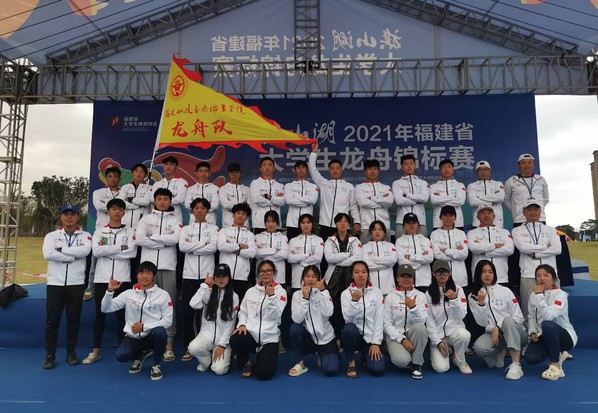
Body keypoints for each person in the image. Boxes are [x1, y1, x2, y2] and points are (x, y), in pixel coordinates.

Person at [83, 199, 136, 365]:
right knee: (100, 315)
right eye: (113, 209)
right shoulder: (100, 231)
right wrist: (120, 247)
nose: (117, 212)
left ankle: (123, 350)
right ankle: (95, 351)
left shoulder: (130, 231)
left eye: (120, 209)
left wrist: (107, 250)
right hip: (102, 279)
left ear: (124, 212)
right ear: (108, 212)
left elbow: (132, 253)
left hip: (123, 279)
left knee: (122, 316)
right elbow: (97, 251)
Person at [101, 261, 173, 381]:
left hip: (151, 336)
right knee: (122, 355)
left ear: (153, 276)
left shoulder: (163, 295)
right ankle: (140, 356)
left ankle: (156, 364)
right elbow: (105, 309)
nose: (144, 276)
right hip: (133, 337)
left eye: (148, 273)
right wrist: (109, 292)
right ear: (137, 276)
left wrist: (144, 327)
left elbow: (168, 321)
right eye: (141, 273)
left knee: (160, 332)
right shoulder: (128, 294)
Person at [42, 204, 92, 369]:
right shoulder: (52, 235)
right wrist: (71, 257)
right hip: (55, 284)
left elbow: (84, 252)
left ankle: (71, 353)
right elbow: (48, 254)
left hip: (76, 284)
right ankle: (50, 355)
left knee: (73, 321)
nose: (69, 217)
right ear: (61, 217)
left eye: (72, 214)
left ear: (78, 217)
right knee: (52, 321)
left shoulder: (85, 235)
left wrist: (61, 250)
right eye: (66, 214)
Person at [134, 187, 182, 361]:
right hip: (147, 269)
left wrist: (152, 237)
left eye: (165, 199)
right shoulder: (146, 218)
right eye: (159, 199)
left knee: (168, 306)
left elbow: (175, 240)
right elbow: (140, 239)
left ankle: (169, 345)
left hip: (168, 266)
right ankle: (148, 345)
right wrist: (163, 241)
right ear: (154, 201)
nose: (162, 202)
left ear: (170, 201)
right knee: (147, 305)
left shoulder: (176, 219)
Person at [469, 260, 527, 380]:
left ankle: (516, 364)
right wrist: (481, 304)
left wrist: (499, 326)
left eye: (490, 272)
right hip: (494, 336)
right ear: (478, 274)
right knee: (479, 347)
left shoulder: (505, 291)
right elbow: (482, 323)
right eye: (484, 271)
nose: (487, 275)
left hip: (516, 333)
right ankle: (500, 351)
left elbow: (519, 317)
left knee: (508, 321)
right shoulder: (473, 296)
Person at [230, 260, 287, 380]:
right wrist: (241, 325)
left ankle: (263, 355)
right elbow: (243, 311)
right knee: (235, 338)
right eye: (262, 271)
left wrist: (271, 296)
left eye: (269, 271)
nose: (265, 274)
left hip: (269, 339)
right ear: (258, 274)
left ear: (274, 273)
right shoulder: (250, 291)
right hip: (251, 336)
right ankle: (247, 362)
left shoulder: (281, 292)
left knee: (263, 374)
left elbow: (276, 316)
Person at [178, 197, 219, 362]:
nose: (200, 211)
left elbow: (213, 248)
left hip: (207, 277)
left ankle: (206, 346)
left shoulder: (214, 228)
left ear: (207, 210)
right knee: (188, 313)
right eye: (196, 208)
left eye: (203, 208)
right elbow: (182, 247)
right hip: (189, 275)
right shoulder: (185, 229)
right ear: (192, 210)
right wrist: (204, 243)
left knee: (207, 314)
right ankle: (189, 347)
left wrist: (193, 247)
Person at [524, 264, 577, 381]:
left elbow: (549, 316)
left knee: (547, 325)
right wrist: (532, 332)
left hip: (565, 337)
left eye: (546, 275)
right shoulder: (533, 295)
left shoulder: (560, 294)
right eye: (538, 276)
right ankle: (558, 353)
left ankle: (556, 364)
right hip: (543, 336)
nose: (542, 278)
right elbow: (531, 316)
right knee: (530, 358)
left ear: (553, 278)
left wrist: (539, 295)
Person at [511, 199, 561, 316]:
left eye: (536, 209)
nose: (533, 212)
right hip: (529, 275)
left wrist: (535, 254)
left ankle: (553, 328)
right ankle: (530, 328)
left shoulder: (550, 230)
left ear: (540, 211)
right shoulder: (517, 230)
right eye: (529, 209)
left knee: (553, 309)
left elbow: (557, 249)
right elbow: (523, 248)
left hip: (550, 275)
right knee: (529, 310)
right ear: (524, 212)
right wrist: (545, 246)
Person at [187, 263, 239, 375]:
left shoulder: (234, 296)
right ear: (213, 277)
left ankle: (219, 356)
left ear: (229, 278)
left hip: (223, 339)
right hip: (206, 335)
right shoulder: (207, 292)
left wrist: (222, 345)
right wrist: (205, 285)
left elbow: (231, 324)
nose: (221, 279)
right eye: (218, 276)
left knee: (219, 370)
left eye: (224, 276)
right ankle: (206, 362)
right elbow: (193, 304)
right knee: (193, 348)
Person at [288, 265, 339, 377]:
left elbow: (329, 312)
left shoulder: (323, 293)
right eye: (307, 276)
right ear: (303, 278)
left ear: (318, 278)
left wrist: (323, 291)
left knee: (331, 370)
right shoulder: (297, 295)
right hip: (308, 339)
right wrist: (305, 299)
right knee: (294, 329)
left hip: (325, 339)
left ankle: (322, 355)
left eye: (314, 276)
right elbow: (296, 319)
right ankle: (300, 363)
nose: (310, 279)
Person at [425, 260, 472, 374]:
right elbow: (429, 321)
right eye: (438, 272)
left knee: (464, 335)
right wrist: (437, 342)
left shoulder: (458, 289)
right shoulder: (428, 293)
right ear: (433, 274)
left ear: (450, 273)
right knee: (441, 368)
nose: (442, 275)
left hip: (454, 331)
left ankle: (460, 359)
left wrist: (454, 300)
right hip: (439, 336)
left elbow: (460, 316)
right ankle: (446, 348)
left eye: (445, 272)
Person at [85, 166, 124, 301]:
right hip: (103, 231)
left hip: (120, 231)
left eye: (115, 176)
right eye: (110, 176)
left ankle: (120, 287)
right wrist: (119, 204)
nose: (113, 179)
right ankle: (90, 289)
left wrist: (108, 204)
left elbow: (126, 207)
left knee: (120, 260)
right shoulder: (98, 192)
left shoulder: (124, 192)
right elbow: (99, 207)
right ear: (106, 178)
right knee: (96, 262)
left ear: (119, 178)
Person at [383, 264, 429, 379]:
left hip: (413, 333)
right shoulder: (390, 297)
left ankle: (417, 364)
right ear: (397, 278)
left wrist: (413, 308)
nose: (406, 279)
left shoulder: (421, 296)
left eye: (409, 276)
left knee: (420, 328)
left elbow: (422, 320)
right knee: (402, 361)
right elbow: (386, 324)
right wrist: (402, 339)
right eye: (402, 276)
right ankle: (408, 358)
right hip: (395, 336)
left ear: (413, 279)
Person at [308, 142, 360, 241]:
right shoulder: (323, 183)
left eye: (337, 168)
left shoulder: (349, 186)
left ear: (341, 170)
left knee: (343, 250)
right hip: (325, 225)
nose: (335, 170)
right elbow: (312, 169)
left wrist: (357, 222)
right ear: (329, 170)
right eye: (332, 168)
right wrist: (314, 152)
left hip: (343, 226)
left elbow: (353, 206)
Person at [341, 261, 385, 378]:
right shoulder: (345, 294)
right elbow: (348, 320)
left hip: (370, 337)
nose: (360, 275)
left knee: (378, 370)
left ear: (368, 274)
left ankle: (366, 356)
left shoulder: (377, 292)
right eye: (356, 272)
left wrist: (375, 342)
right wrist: (354, 301)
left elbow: (379, 318)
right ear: (352, 275)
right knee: (348, 329)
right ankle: (351, 363)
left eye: (363, 272)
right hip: (355, 335)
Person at [324, 213, 363, 340]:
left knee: (348, 309)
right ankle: (335, 339)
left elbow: (357, 258)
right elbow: (329, 258)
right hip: (333, 280)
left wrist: (338, 260)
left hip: (349, 279)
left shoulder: (355, 240)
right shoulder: (329, 240)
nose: (342, 223)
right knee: (334, 311)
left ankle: (347, 338)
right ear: (336, 224)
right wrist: (347, 255)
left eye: (345, 221)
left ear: (349, 224)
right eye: (340, 221)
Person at [217, 202, 257, 301]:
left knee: (240, 306)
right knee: (223, 304)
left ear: (247, 217)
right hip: (225, 276)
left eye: (243, 214)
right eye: (238, 213)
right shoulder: (224, 231)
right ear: (233, 215)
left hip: (242, 277)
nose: (240, 216)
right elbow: (221, 246)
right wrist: (239, 246)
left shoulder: (250, 235)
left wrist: (236, 251)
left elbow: (252, 253)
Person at [467, 205, 514, 286]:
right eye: (483, 213)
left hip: (501, 277)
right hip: (480, 278)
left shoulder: (504, 232)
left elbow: (509, 250)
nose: (486, 215)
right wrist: (494, 246)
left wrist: (485, 252)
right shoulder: (472, 233)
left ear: (494, 216)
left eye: (489, 213)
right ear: (477, 217)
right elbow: (473, 248)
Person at [429, 206, 469, 288]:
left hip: (460, 277)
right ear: (440, 217)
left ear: (455, 217)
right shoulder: (435, 234)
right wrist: (456, 251)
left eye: (451, 215)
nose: (448, 218)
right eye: (445, 215)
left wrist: (446, 251)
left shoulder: (461, 233)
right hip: (442, 277)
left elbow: (464, 254)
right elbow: (437, 255)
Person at [504, 153, 549, 226]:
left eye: (529, 163)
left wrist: (536, 210)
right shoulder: (511, 181)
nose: (527, 165)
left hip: (540, 219)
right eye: (524, 163)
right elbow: (506, 200)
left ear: (533, 165)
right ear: (518, 166)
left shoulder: (541, 179)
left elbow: (546, 199)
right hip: (520, 219)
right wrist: (516, 210)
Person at [354, 159, 393, 242]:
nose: (372, 171)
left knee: (386, 250)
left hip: (384, 227)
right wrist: (382, 204)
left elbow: (389, 202)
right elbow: (363, 203)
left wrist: (371, 198)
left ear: (378, 171)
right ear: (365, 172)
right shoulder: (359, 187)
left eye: (375, 169)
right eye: (369, 169)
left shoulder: (386, 188)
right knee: (366, 250)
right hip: (366, 227)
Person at [392, 154, 430, 236]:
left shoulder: (423, 183)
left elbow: (424, 198)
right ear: (402, 167)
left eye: (411, 164)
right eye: (406, 164)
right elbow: (399, 201)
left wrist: (407, 195)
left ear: (415, 166)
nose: (409, 166)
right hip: (402, 222)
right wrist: (417, 201)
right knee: (401, 244)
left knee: (423, 244)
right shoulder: (397, 183)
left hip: (420, 221)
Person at [396, 213, 434, 292]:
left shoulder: (426, 240)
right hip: (407, 282)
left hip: (425, 282)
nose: (411, 225)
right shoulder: (399, 241)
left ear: (418, 224)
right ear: (404, 225)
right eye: (408, 223)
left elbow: (430, 258)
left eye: (414, 223)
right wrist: (422, 260)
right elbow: (402, 262)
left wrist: (411, 257)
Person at [284, 160, 318, 240]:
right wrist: (306, 203)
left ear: (307, 170)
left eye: (303, 167)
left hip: (307, 224)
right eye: (298, 167)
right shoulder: (288, 186)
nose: (301, 169)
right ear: (294, 170)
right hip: (292, 224)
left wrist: (295, 197)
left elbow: (313, 200)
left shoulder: (313, 186)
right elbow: (289, 201)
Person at [362, 220, 398, 296]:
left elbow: (392, 260)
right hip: (371, 289)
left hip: (389, 290)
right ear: (371, 232)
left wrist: (373, 259)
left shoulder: (390, 245)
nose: (377, 232)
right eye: (374, 230)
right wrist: (386, 265)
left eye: (380, 230)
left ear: (384, 232)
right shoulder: (364, 247)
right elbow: (365, 265)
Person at [249, 157, 285, 232]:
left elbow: (282, 202)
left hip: (276, 224)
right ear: (260, 168)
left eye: (270, 165)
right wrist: (275, 200)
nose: (267, 167)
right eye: (265, 165)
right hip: (259, 224)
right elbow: (256, 199)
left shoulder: (280, 185)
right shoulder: (255, 183)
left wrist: (268, 197)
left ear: (274, 168)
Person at [467, 161, 505, 228]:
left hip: (497, 222)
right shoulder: (471, 186)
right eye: (480, 170)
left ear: (490, 171)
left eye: (485, 169)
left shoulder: (498, 184)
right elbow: (473, 202)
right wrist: (492, 202)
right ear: (476, 173)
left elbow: (500, 198)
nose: (483, 172)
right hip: (478, 223)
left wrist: (479, 196)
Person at [429, 159, 466, 229]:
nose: (446, 169)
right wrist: (452, 198)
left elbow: (460, 201)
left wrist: (441, 199)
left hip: (457, 222)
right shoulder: (434, 186)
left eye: (449, 167)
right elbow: (434, 200)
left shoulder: (459, 185)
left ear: (453, 169)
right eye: (443, 167)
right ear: (440, 170)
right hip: (438, 222)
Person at [255, 210, 289, 286]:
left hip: (279, 277)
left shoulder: (283, 238)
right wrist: (274, 250)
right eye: (268, 221)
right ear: (264, 223)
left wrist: (264, 256)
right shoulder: (258, 237)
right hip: (262, 277)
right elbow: (256, 253)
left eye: (273, 221)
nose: (270, 224)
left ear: (277, 223)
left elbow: (284, 254)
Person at [151, 155, 188, 222]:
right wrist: (171, 198)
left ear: (176, 167)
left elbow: (180, 199)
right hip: (157, 217)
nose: (168, 167)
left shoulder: (182, 182)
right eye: (166, 164)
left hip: (175, 216)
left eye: (171, 164)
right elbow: (152, 199)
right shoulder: (157, 184)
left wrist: (160, 200)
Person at [219, 162, 250, 229]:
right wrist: (243, 203)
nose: (234, 174)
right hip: (228, 226)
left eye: (236, 172)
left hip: (245, 226)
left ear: (240, 173)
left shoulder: (247, 189)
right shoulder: (223, 189)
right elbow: (226, 205)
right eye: (232, 172)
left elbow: (250, 207)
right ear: (228, 174)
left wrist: (231, 203)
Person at [121, 163, 152, 230]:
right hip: (125, 223)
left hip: (142, 224)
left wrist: (131, 200)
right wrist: (137, 205)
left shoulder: (150, 188)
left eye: (142, 172)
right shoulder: (125, 187)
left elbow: (146, 202)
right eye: (136, 171)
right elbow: (121, 203)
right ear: (132, 174)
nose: (139, 174)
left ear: (145, 175)